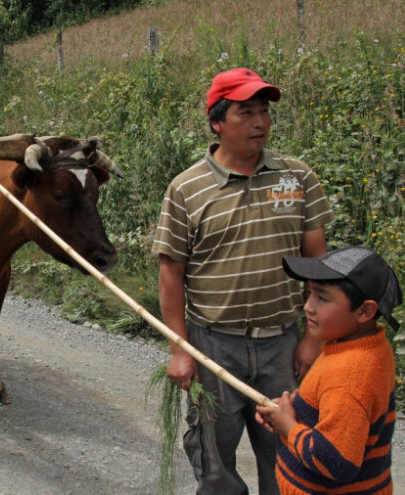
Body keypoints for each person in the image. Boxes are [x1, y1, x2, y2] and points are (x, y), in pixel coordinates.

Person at [153, 67, 336, 495]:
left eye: (264, 112)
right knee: (214, 460)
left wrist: (313, 339)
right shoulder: (186, 189)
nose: (260, 122)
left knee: (289, 457)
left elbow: (318, 263)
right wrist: (180, 350)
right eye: (247, 112)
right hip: (213, 346)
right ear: (217, 122)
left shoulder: (297, 177)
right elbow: (171, 274)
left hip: (282, 345)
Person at [256, 246, 402, 494]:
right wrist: (290, 411)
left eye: (322, 298)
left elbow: (336, 461)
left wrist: (289, 427)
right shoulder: (361, 346)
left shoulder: (349, 374)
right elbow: (333, 408)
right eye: (310, 293)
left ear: (365, 311)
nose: (308, 307)